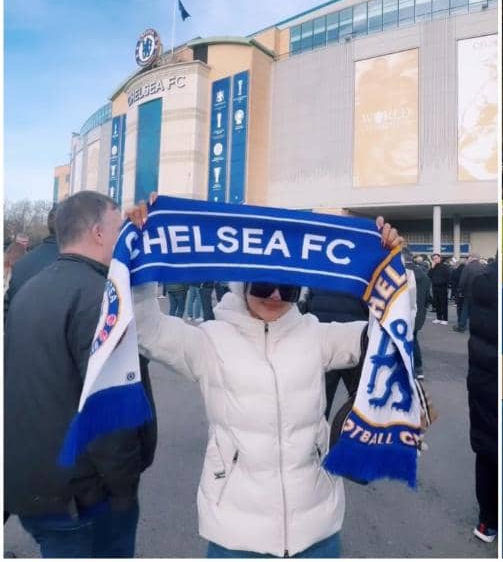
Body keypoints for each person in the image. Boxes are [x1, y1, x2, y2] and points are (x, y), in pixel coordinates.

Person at [124, 193, 402, 558]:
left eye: (286, 287)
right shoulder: (210, 341)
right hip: (237, 535)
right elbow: (145, 329)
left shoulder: (314, 334)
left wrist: (392, 264)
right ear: (241, 285)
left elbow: (388, 333)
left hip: (316, 530)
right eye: (261, 285)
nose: (273, 295)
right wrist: (140, 252)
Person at [4, 190, 157, 558]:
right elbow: (110, 408)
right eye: (118, 226)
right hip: (84, 496)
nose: (124, 234)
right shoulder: (99, 298)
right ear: (98, 233)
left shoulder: (31, 287)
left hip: (35, 486)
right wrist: (122, 489)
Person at [467, 256, 497, 543]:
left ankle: (488, 521)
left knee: (487, 450)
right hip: (496, 376)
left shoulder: (480, 281)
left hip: (481, 378)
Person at [302, 288, 370, 418]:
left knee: (321, 402)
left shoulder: (319, 271)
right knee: (360, 400)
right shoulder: (359, 274)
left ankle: (317, 434)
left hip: (322, 338)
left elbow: (307, 302)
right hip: (354, 339)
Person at [4, 205, 60, 319]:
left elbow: (8, 312)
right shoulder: (77, 266)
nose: (24, 244)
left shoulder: (22, 263)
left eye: (26, 241)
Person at [404, 248, 430, 379]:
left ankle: (412, 368)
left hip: (405, 312)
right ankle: (418, 369)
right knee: (413, 338)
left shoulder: (402, 273)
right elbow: (427, 297)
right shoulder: (424, 273)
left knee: (407, 340)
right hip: (419, 313)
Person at [454, 254, 485, 333]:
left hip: (469, 293)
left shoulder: (467, 267)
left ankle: (462, 327)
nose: (468, 259)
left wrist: (460, 291)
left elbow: (463, 281)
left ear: (472, 258)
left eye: (469, 258)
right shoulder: (483, 267)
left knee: (465, 310)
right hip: (480, 293)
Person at [429, 253, 451, 324]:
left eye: (436, 258)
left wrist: (446, 285)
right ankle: (438, 318)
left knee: (443, 304)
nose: (435, 260)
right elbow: (429, 276)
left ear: (440, 258)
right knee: (437, 303)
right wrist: (432, 268)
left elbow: (448, 277)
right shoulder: (433, 267)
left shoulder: (445, 267)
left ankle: (445, 319)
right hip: (435, 287)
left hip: (443, 288)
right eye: (434, 259)